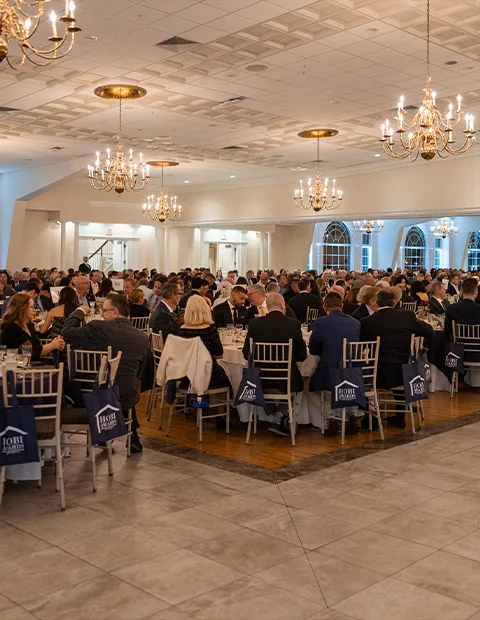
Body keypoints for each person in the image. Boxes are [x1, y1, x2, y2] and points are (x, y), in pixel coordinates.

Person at [62, 293, 149, 453]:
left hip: (94, 394)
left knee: (72, 383)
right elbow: (141, 372)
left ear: (115, 312)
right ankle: (131, 436)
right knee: (118, 382)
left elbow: (67, 333)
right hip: (127, 394)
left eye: (105, 310)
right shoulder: (143, 337)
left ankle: (103, 435)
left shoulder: (98, 328)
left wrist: (79, 310)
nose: (102, 314)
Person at [360, 288, 433, 428]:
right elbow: (428, 331)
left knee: (361, 372)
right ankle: (400, 416)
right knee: (400, 366)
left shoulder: (367, 322)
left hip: (378, 374)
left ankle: (369, 418)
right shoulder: (407, 316)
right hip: (407, 373)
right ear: (395, 302)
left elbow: (361, 346)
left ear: (377, 303)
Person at [243, 293, 307, 437]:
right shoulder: (293, 324)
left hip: (260, 379)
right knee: (303, 380)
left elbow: (246, 352)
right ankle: (280, 413)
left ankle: (272, 411)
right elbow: (302, 356)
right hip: (286, 379)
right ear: (283, 305)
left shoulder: (255, 324)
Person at [309, 292, 362, 435]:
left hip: (331, 373)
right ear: (342, 306)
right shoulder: (355, 323)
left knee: (307, 384)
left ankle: (333, 417)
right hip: (355, 373)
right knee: (344, 375)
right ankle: (352, 414)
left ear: (325, 307)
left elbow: (313, 348)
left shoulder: (321, 322)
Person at [177, 295, 231, 391]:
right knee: (227, 374)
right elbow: (219, 354)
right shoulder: (210, 330)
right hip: (209, 375)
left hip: (187, 376)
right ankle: (223, 405)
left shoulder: (181, 330)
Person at [0, 294, 65, 361]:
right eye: (32, 307)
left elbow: (37, 346)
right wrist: (52, 345)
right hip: (15, 366)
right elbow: (30, 351)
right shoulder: (11, 327)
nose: (34, 310)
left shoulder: (29, 325)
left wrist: (57, 341)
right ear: (22, 308)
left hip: (33, 364)